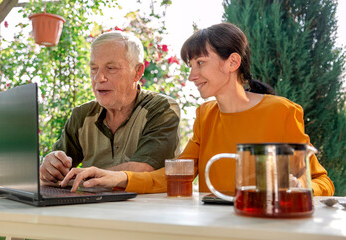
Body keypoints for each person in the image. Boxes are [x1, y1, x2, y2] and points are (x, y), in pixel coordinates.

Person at [61, 23, 335, 196]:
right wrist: (120, 177)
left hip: (262, 227)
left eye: (200, 63)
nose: (192, 75)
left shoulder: (281, 112)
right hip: (211, 228)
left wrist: (297, 188)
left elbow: (321, 182)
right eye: (190, 65)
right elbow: (174, 175)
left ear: (232, 62)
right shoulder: (206, 115)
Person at [40, 31, 181, 186]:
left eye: (111, 68)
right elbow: (57, 172)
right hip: (92, 208)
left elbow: (143, 169)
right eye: (94, 68)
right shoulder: (81, 115)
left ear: (137, 72)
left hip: (148, 207)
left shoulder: (161, 109)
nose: (98, 78)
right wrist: (50, 165)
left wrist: (83, 177)